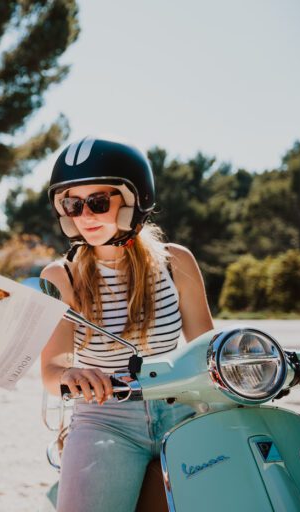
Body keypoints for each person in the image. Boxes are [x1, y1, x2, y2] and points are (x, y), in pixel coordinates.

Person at [39, 137, 214, 511]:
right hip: (105, 419)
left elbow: (207, 348)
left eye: (98, 202)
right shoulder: (62, 276)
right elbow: (51, 371)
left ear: (134, 201)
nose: (84, 215)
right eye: (72, 203)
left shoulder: (175, 262)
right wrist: (71, 376)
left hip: (182, 410)